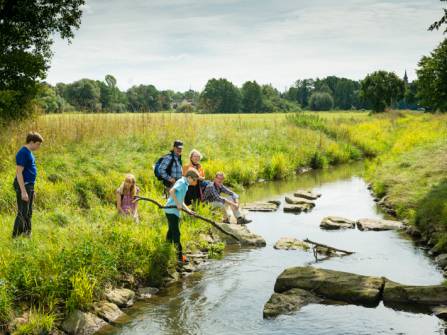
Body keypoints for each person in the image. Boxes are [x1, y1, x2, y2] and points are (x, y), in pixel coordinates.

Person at [164, 169, 199, 265]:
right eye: (194, 179)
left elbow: (181, 201)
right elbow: (171, 191)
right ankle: (179, 257)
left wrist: (188, 211)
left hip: (173, 211)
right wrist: (177, 203)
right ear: (189, 177)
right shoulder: (182, 182)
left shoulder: (186, 185)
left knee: (171, 231)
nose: (194, 182)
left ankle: (166, 248)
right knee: (177, 233)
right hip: (171, 210)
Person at [12, 132, 43, 238]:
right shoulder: (23, 153)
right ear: (31, 142)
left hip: (29, 185)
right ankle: (15, 237)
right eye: (38, 144)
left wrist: (32, 190)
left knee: (28, 212)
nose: (39, 147)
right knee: (22, 212)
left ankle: (26, 234)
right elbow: (19, 172)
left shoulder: (29, 152)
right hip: (23, 185)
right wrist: (24, 191)